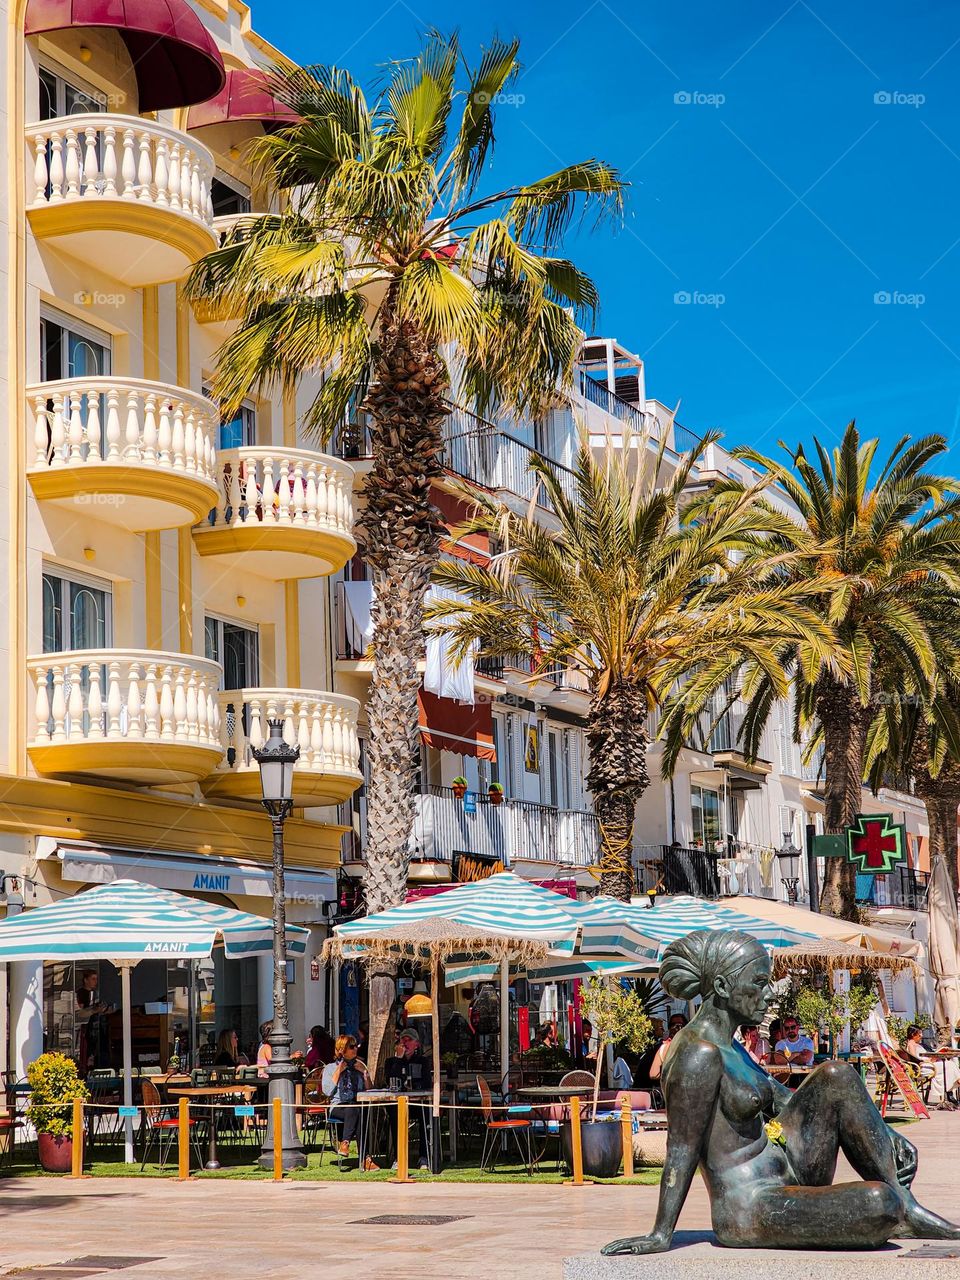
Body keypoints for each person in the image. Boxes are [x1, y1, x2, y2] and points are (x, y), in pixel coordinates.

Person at [602, 929, 960, 1256]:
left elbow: (791, 1101)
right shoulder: (697, 1054)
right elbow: (680, 1149)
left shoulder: (733, 1047)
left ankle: (908, 1208)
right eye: (759, 983)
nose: (769, 994)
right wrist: (660, 1234)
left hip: (791, 1173)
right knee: (879, 1202)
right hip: (752, 1206)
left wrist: (885, 1134)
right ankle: (899, 1205)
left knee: (836, 1073)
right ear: (724, 987)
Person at [321, 1034, 378, 1170]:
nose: (355, 1049)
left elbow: (369, 1090)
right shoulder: (330, 1068)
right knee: (355, 1109)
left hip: (355, 1107)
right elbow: (327, 1091)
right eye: (351, 1046)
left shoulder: (359, 1065)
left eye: (356, 1045)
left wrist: (365, 1074)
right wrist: (338, 1071)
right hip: (338, 1107)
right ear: (342, 1049)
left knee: (358, 1110)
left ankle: (346, 1144)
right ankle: (365, 1158)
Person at [385, 1027, 433, 1169]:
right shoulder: (391, 1062)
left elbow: (426, 1082)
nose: (405, 1043)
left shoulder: (423, 1061)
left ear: (416, 1044)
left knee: (426, 1114)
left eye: (409, 1040)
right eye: (403, 1040)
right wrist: (399, 1059)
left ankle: (424, 1157)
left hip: (417, 1103)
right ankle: (399, 1157)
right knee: (394, 1114)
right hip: (399, 1104)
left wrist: (413, 1085)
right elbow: (390, 1080)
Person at [901, 1024, 960, 1108]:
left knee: (949, 1064)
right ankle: (950, 1092)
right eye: (919, 1034)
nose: (921, 1036)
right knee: (948, 1064)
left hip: (929, 1064)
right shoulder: (911, 1045)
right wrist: (930, 1060)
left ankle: (949, 1092)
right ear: (913, 1034)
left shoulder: (917, 1044)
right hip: (924, 1067)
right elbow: (916, 1060)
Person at [649, 1013, 688, 1081]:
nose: (677, 1028)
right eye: (673, 1025)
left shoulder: (693, 1046)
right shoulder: (663, 1047)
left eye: (680, 1025)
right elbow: (653, 1074)